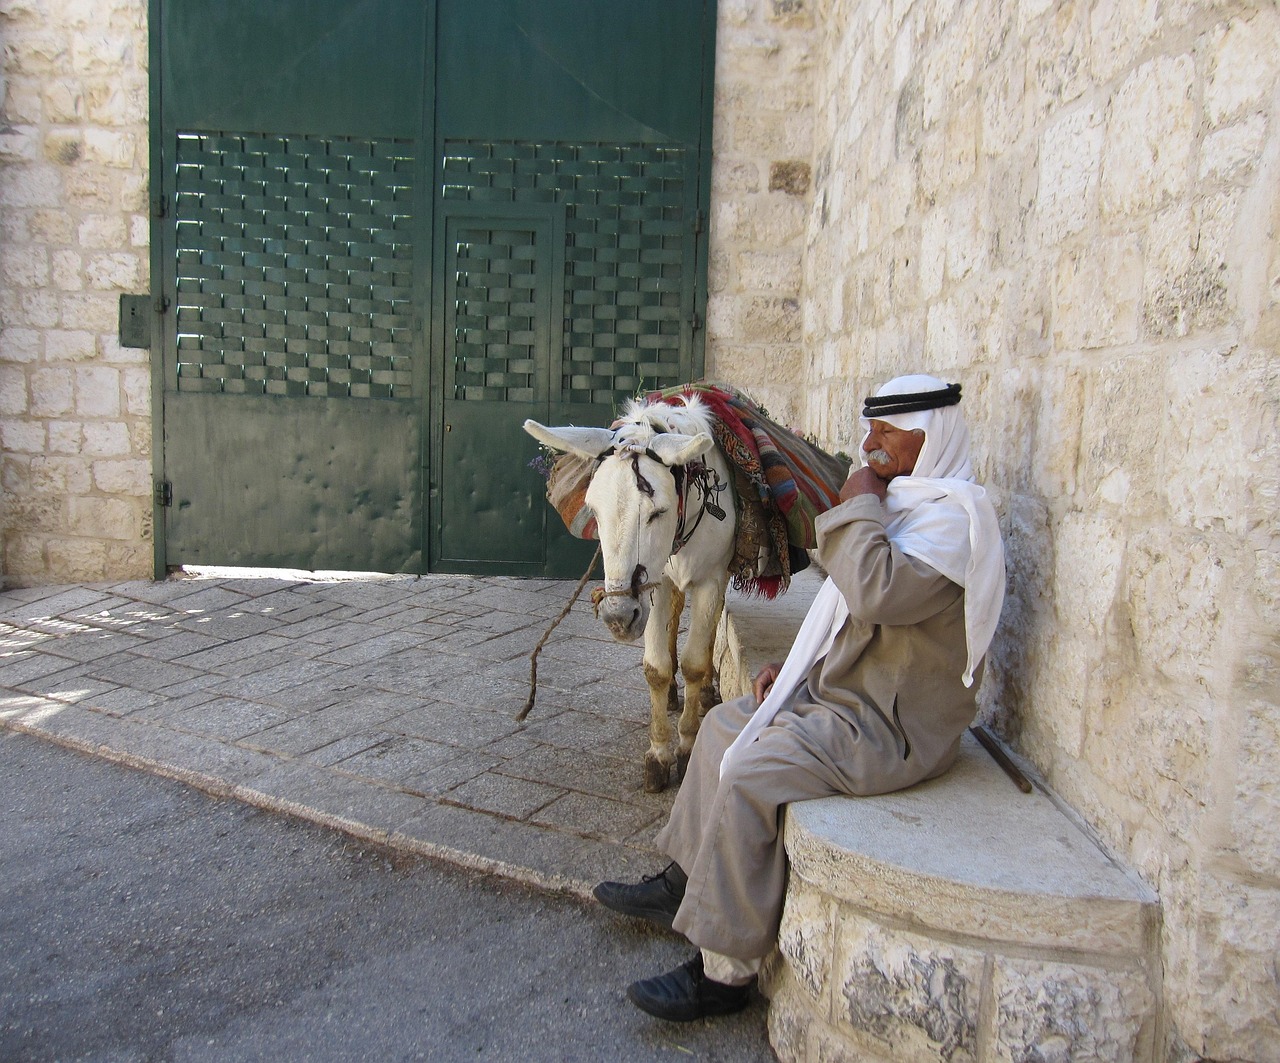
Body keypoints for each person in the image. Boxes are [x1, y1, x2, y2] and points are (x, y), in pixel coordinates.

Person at [593, 373, 1006, 1021]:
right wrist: (798, 667)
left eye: (889, 433)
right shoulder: (908, 506)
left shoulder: (955, 523)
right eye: (870, 429)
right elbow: (858, 618)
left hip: (891, 729)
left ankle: (723, 973)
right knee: (728, 724)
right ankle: (683, 880)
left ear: (933, 437)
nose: (871, 445)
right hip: (847, 694)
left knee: (752, 770)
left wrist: (857, 502)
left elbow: (873, 590)